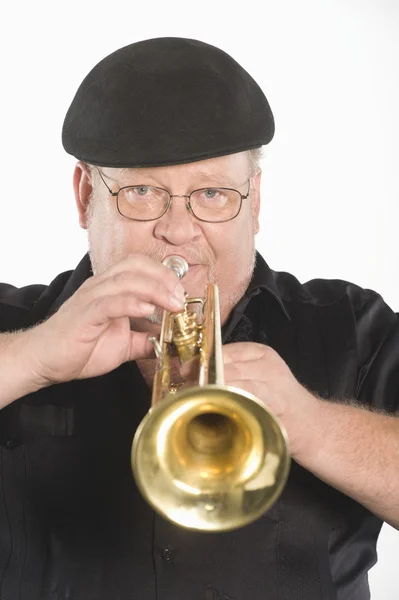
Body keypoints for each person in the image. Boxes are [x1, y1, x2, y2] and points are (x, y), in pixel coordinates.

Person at [0, 36, 398, 600]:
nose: (179, 230)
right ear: (85, 193)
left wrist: (313, 425)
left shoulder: (353, 327)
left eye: (212, 194)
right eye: (142, 192)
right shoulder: (13, 325)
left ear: (254, 200)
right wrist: (32, 358)